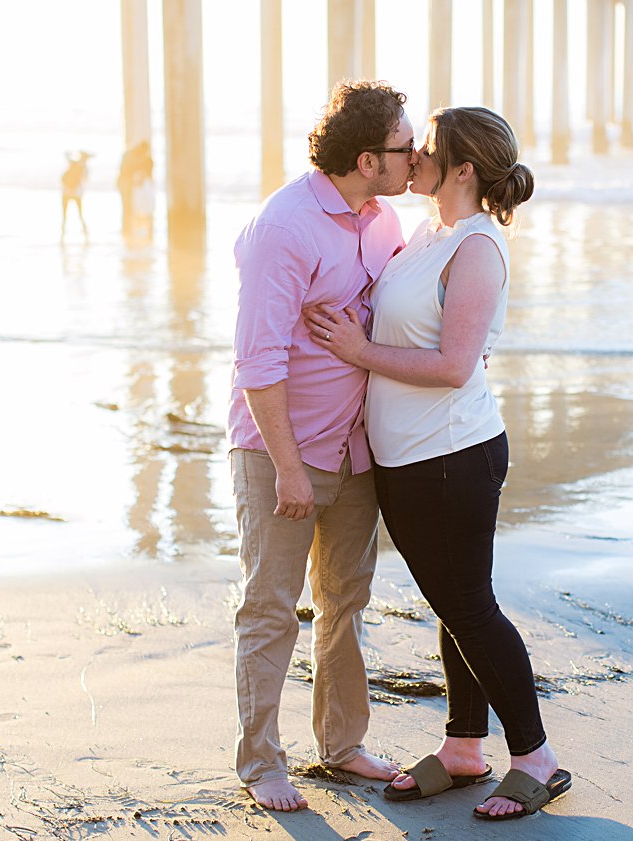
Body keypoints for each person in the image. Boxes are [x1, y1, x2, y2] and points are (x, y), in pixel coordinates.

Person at [304, 106, 571, 821]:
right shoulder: (431, 230)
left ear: (463, 170)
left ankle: (537, 759)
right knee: (453, 604)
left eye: (428, 144)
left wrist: (359, 353)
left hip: (453, 457)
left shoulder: (476, 246)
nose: (412, 153)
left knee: (470, 607)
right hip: (414, 459)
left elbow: (456, 366)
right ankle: (462, 748)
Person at [228, 80, 418, 812]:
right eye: (406, 148)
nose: (418, 158)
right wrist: (286, 468)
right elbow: (259, 360)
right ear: (368, 158)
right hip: (283, 450)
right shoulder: (286, 227)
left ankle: (341, 746)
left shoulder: (381, 220)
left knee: (346, 600)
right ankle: (261, 761)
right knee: (272, 605)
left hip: (355, 450)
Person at [60, 151, 92, 239]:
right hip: (77, 193)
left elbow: (66, 156)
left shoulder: (73, 163)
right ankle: (84, 228)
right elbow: (84, 180)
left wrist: (70, 153)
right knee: (80, 212)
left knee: (65, 212)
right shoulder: (84, 168)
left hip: (66, 191)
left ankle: (63, 228)